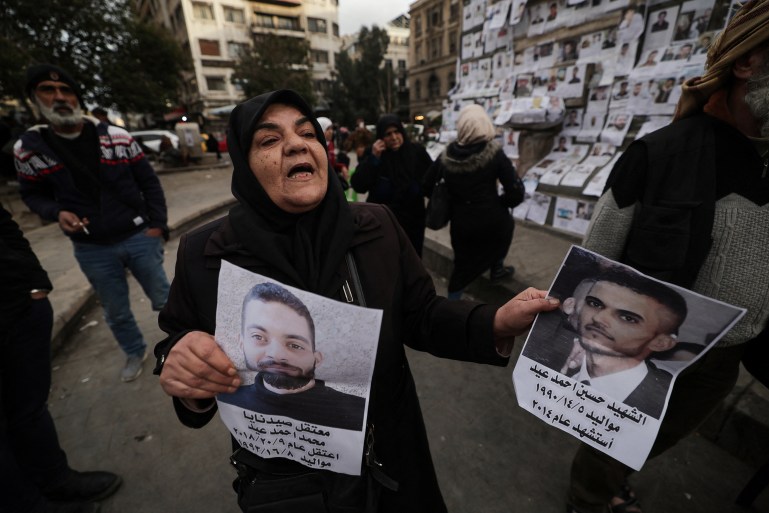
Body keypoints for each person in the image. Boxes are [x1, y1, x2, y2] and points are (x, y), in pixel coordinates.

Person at [153, 89, 560, 513]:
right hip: (290, 488)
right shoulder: (206, 255)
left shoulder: (377, 228)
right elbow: (178, 344)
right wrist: (186, 378)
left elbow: (421, 315)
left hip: (394, 468)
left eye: (307, 132)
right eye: (269, 140)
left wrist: (496, 321)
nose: (296, 143)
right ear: (245, 165)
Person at [567, 1, 769, 511]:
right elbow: (594, 259)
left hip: (724, 360)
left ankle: (610, 479)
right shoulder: (658, 154)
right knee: (607, 439)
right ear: (748, 62)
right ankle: (588, 499)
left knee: (648, 440)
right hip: (641, 349)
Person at [14, 64, 170, 382]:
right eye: (48, 90)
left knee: (165, 299)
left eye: (66, 91)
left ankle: (183, 345)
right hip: (91, 247)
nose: (59, 97)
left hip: (139, 235)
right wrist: (56, 212)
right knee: (115, 310)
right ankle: (133, 351)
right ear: (34, 99)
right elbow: (32, 195)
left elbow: (149, 183)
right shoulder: (28, 150)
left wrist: (158, 227)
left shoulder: (117, 137)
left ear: (77, 98)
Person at [1, 206, 122, 513]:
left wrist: (35, 282)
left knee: (29, 407)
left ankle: (54, 479)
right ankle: (26, 504)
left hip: (17, 305)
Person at [524, 267, 687, 419]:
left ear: (661, 343)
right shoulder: (550, 341)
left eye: (628, 318)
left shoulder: (663, 405)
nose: (598, 318)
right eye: (595, 304)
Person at [217, 282, 366, 431]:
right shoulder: (230, 400)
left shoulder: (360, 412)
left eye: (295, 345)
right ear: (241, 343)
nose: (276, 354)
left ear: (317, 358)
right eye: (258, 337)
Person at [422, 104, 524, 300]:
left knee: (461, 270)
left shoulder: (447, 155)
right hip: (493, 221)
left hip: (461, 224)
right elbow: (515, 192)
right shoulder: (494, 154)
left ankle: (452, 307)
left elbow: (426, 185)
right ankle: (497, 269)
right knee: (505, 228)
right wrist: (501, 203)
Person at [350, 114, 433, 256]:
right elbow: (358, 185)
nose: (394, 137)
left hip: (413, 226)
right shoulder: (375, 154)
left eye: (397, 132)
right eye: (388, 134)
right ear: (381, 137)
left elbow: (430, 183)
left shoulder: (417, 153)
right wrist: (374, 159)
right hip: (383, 226)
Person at [317, 116, 349, 190]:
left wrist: (342, 167)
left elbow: (332, 164)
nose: (331, 131)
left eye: (331, 128)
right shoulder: (316, 146)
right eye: (327, 129)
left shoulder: (330, 144)